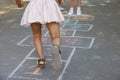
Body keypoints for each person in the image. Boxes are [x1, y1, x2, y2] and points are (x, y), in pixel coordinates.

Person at [15, 0, 64, 70]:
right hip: (49, 5)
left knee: (36, 35)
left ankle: (41, 60)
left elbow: (20, 4)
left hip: (34, 6)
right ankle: (55, 47)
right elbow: (60, 1)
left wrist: (19, 3)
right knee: (55, 36)